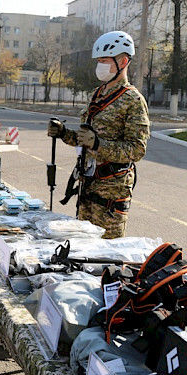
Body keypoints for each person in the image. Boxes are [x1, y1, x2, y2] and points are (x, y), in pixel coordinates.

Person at [48, 31, 150, 239]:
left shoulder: (133, 100)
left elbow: (136, 149)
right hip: (88, 187)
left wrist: (98, 145)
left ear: (123, 61)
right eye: (99, 60)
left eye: (105, 60)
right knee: (82, 246)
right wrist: (64, 133)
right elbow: (85, 139)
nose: (100, 65)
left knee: (105, 253)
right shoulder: (97, 94)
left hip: (111, 194)